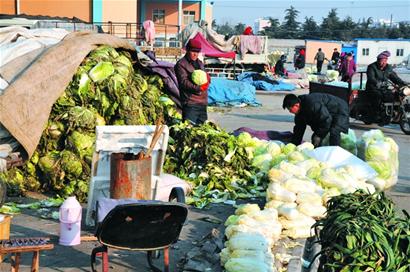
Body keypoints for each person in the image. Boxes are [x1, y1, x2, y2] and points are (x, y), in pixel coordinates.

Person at [282, 93, 349, 147]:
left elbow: (326, 119)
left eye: (290, 109)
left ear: (296, 105)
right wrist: (294, 145)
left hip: (339, 110)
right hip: (327, 114)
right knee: (315, 137)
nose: (290, 112)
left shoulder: (312, 104)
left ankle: (335, 156)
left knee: (334, 132)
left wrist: (319, 135)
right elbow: (299, 129)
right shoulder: (299, 113)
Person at [174, 38, 210, 125]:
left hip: (202, 103)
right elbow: (183, 82)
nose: (195, 54)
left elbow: (205, 77)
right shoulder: (181, 64)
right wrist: (199, 88)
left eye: (197, 52)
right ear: (187, 50)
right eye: (193, 51)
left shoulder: (200, 63)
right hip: (190, 103)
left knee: (202, 131)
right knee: (189, 130)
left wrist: (208, 79)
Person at [365, 50, 407, 115]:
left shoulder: (388, 67)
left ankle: (391, 112)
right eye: (382, 61)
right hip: (373, 88)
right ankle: (376, 113)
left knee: (396, 95)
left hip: (383, 88)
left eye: (385, 61)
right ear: (378, 60)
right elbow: (371, 78)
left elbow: (394, 77)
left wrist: (403, 83)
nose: (384, 63)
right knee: (378, 96)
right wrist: (377, 83)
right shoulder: (372, 67)